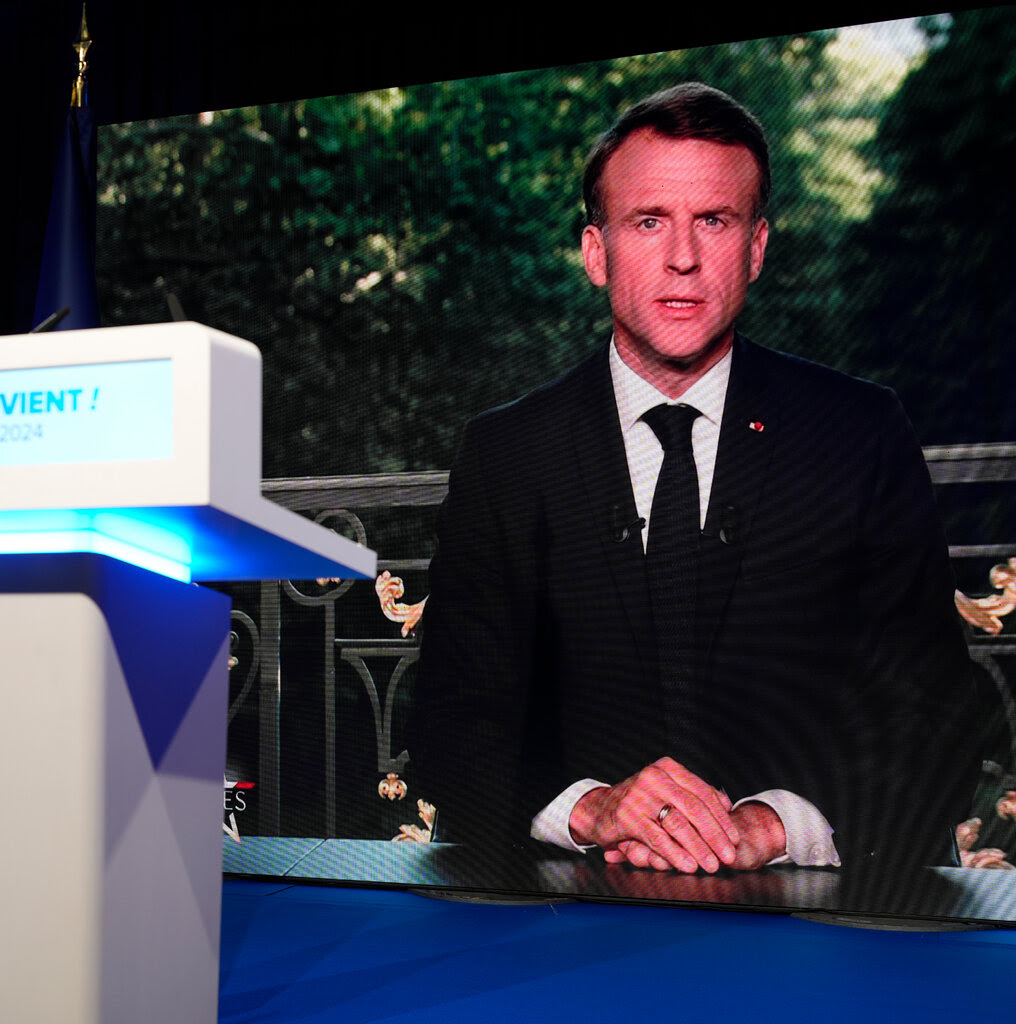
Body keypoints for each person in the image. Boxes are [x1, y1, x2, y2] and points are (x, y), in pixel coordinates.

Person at [407, 82, 978, 876]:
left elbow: (939, 714)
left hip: (813, 934)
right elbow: (448, 723)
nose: (683, 257)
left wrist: (773, 825)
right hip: (569, 930)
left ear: (756, 249)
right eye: (649, 222)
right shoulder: (506, 453)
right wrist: (594, 808)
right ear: (596, 252)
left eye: (714, 220)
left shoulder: (860, 433)